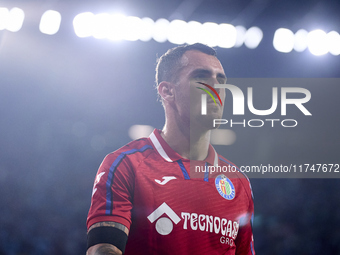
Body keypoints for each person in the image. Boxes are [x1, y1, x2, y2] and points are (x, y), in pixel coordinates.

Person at [86, 43, 255, 255]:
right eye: (202, 77)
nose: (216, 87)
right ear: (167, 91)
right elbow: (103, 249)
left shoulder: (239, 183)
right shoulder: (125, 165)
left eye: (221, 79)